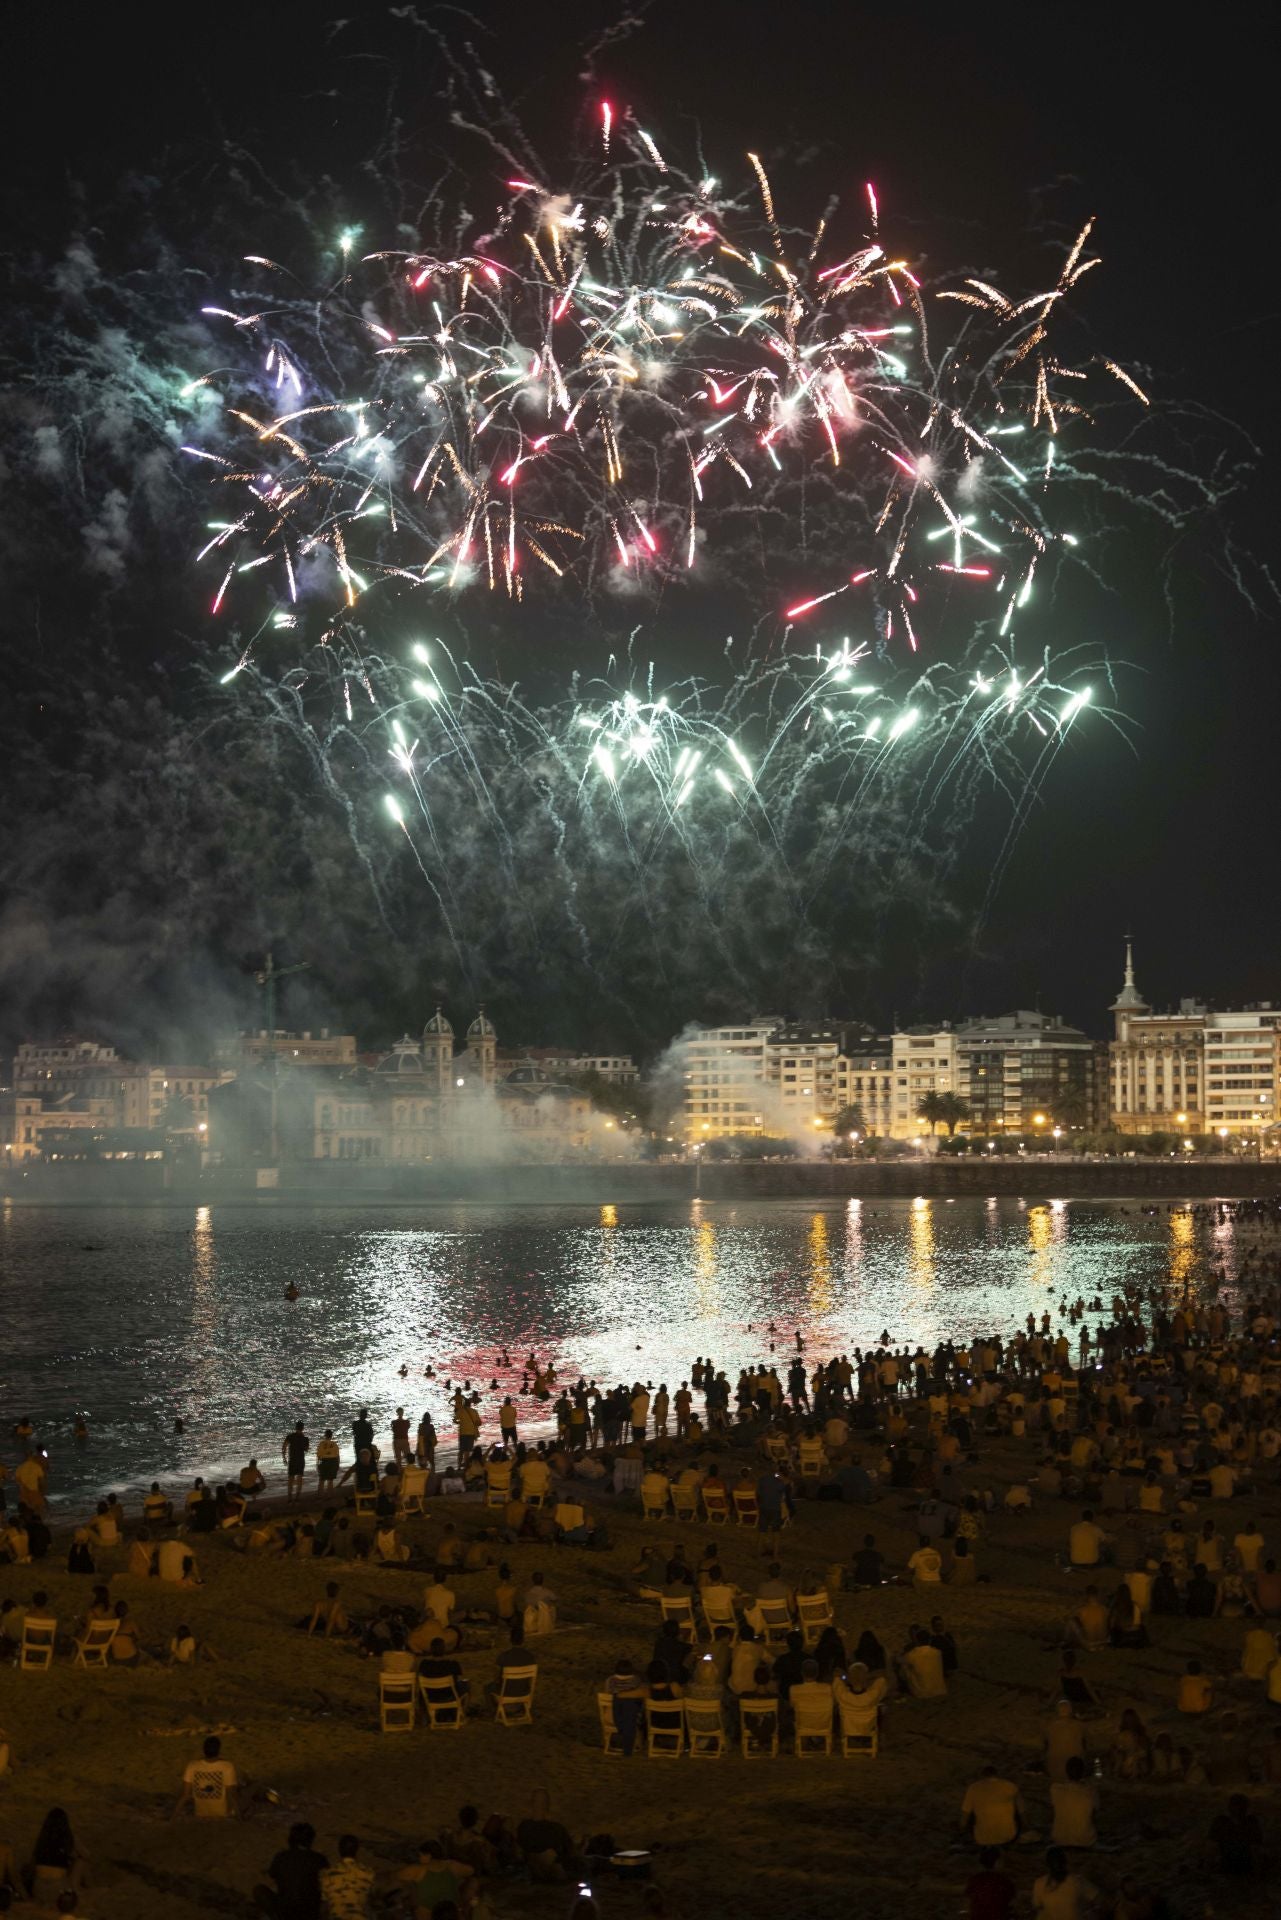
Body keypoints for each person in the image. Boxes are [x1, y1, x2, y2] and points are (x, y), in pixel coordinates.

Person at [254, 1821, 329, 1919]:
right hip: (310, 1911)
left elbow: (272, 1875)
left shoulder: (281, 1857)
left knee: (259, 1890)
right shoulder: (319, 1859)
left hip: (286, 1910)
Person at [25, 1810, 84, 1907]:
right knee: (80, 1861)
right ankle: (76, 1888)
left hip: (39, 1888)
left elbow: (32, 1866)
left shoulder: (42, 1838)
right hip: (58, 1888)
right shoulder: (68, 1837)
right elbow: (86, 1855)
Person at [515, 1790, 576, 1884]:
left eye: (542, 1802)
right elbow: (523, 1851)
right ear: (532, 1804)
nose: (540, 1805)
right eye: (538, 1802)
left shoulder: (557, 1828)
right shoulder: (525, 1826)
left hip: (554, 1867)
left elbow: (569, 1850)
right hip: (538, 1867)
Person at [173, 1735, 238, 1820]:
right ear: (218, 1750)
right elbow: (231, 1796)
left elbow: (185, 1795)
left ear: (203, 1749)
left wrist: (173, 1817)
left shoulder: (192, 1766)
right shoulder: (227, 1766)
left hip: (200, 1813)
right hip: (222, 1814)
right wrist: (239, 1818)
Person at [961, 1765, 1024, 1848]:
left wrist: (962, 1829)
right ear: (997, 1775)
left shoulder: (973, 1788)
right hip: (1009, 1837)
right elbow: (1022, 1811)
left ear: (982, 1775)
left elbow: (965, 1813)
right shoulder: (1010, 1786)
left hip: (982, 1839)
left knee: (972, 1810)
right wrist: (1025, 1827)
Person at [318, 1835, 375, 1918]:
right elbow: (370, 1903)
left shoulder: (327, 1875)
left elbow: (324, 1905)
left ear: (339, 1850)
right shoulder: (368, 1873)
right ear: (356, 1850)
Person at [1032, 1848, 1096, 1919]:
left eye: (1058, 1862)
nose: (1056, 1866)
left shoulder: (1077, 1881)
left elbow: (1099, 1900)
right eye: (1054, 1863)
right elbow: (1038, 1908)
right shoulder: (1039, 1884)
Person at [1208, 1794, 1262, 1877]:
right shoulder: (1221, 1822)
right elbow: (1212, 1846)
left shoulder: (1250, 1823)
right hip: (1227, 1863)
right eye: (1235, 1805)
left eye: (1240, 1806)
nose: (1238, 1809)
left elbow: (1255, 1847)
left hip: (1244, 1864)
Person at [1050, 1756, 1098, 1848]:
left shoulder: (1055, 1789)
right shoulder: (1091, 1791)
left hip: (1059, 1839)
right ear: (1083, 1773)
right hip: (1086, 1840)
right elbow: (1094, 1813)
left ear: (1066, 1771)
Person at [605, 1656, 647, 1756]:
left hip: (611, 1716)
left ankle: (619, 1739)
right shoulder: (635, 1680)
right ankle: (635, 1743)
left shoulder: (610, 1680)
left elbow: (607, 1693)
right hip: (631, 1716)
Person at [965, 1847, 1017, 1920]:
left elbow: (968, 1901)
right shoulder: (1004, 1881)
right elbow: (1012, 1903)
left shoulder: (974, 1880)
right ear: (997, 1862)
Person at [282, 1423, 310, 1501]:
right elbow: (307, 1449)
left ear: (295, 1428)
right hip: (301, 1460)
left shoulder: (290, 1436)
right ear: (303, 1428)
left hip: (292, 1460)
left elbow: (284, 1447)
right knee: (299, 1479)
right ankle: (297, 1497)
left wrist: (284, 1458)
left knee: (291, 1479)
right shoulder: (305, 1438)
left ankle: (290, 1498)